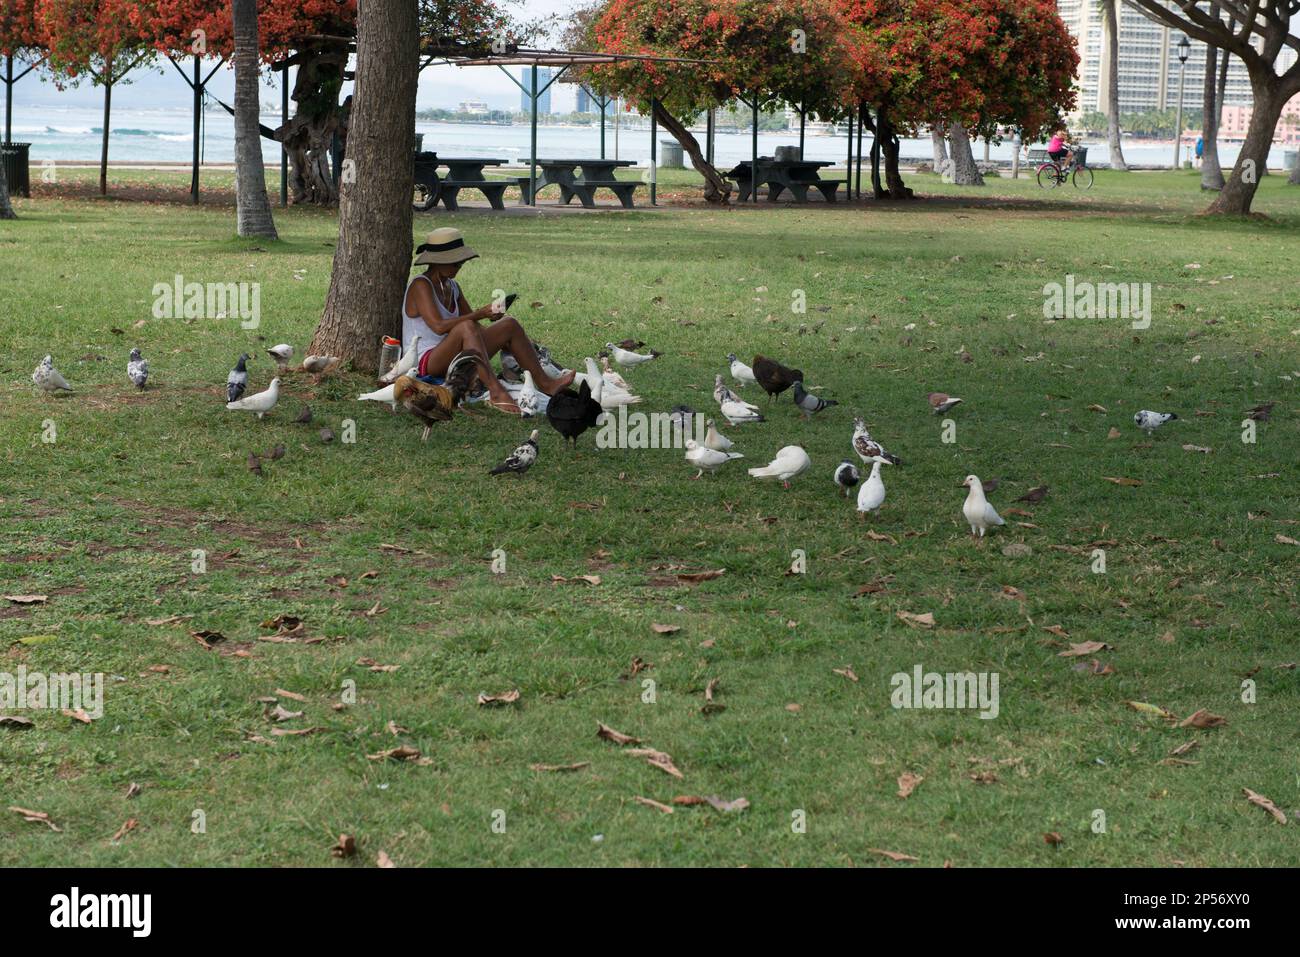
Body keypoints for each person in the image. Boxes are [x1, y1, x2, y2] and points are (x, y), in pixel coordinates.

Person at [402, 227, 574, 415]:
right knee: (466, 326)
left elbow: (475, 328)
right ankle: (496, 392)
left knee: (509, 324)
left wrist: (497, 326)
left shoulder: (452, 286)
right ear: (437, 261)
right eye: (455, 262)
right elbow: (438, 326)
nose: (459, 266)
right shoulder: (421, 284)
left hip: (455, 355)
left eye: (461, 262)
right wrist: (479, 314)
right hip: (427, 360)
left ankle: (547, 384)